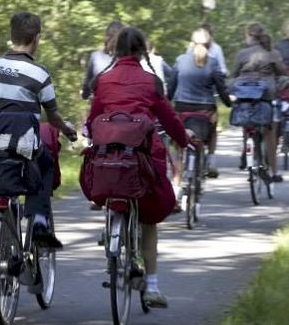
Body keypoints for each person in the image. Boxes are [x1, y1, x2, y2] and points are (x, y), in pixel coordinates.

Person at [87, 26, 194, 308]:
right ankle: (152, 286)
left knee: (112, 187)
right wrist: (183, 139)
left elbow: (93, 118)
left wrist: (89, 135)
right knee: (149, 220)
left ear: (117, 49)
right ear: (141, 50)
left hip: (108, 155)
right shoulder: (151, 81)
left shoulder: (104, 79)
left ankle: (112, 238)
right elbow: (169, 119)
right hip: (142, 156)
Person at [0, 12, 78, 249]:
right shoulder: (40, 74)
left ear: (11, 36)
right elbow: (53, 117)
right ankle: (38, 219)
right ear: (36, 38)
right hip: (23, 147)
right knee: (45, 164)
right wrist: (67, 130)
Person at [172, 28, 232, 183]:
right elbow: (221, 87)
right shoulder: (213, 63)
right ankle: (211, 160)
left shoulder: (180, 60)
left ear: (191, 43)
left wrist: (165, 102)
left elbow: (172, 86)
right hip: (205, 110)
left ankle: (175, 187)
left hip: (181, 108)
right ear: (210, 44)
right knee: (213, 127)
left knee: (180, 150)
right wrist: (229, 103)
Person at [231, 22, 288, 184]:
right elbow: (283, 73)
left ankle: (248, 154)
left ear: (249, 35)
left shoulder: (242, 54)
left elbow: (233, 74)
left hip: (244, 97)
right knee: (270, 133)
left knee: (247, 121)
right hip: (265, 97)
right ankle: (274, 171)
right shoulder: (272, 53)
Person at [81, 20, 124, 100]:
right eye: (109, 36)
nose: (111, 40)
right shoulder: (95, 56)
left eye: (114, 37)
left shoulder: (128, 59)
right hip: (100, 107)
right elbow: (86, 90)